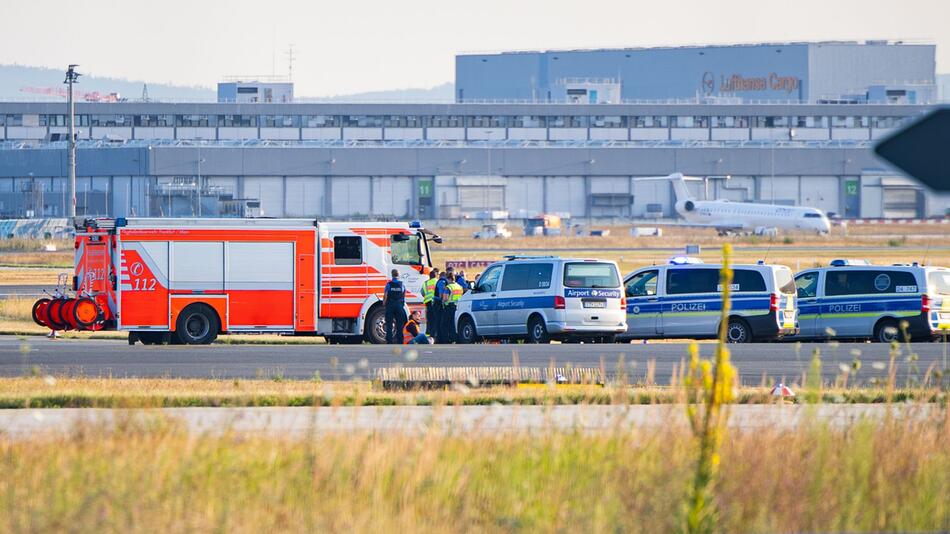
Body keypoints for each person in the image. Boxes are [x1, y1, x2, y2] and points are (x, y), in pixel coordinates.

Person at [382, 269, 407, 344]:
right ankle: (400, 340)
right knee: (400, 324)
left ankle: (389, 341)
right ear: (398, 275)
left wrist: (384, 303)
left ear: (392, 275)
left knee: (389, 324)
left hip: (390, 305)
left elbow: (385, 295)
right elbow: (404, 294)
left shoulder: (389, 284)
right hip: (399, 305)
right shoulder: (402, 284)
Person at [440, 274, 464, 344]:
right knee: (454, 324)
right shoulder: (459, 287)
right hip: (458, 307)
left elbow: (445, 298)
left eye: (447, 279)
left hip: (449, 307)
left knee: (444, 324)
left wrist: (442, 302)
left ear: (449, 279)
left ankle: (446, 340)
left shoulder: (448, 287)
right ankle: (455, 339)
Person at [433, 269, 451, 343]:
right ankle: (441, 339)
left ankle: (440, 339)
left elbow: (440, 295)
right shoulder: (444, 282)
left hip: (438, 304)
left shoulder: (441, 281)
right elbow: (442, 295)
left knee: (439, 322)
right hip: (441, 304)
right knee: (441, 322)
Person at [422, 268, 440, 336]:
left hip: (428, 303)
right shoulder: (437, 281)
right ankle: (434, 335)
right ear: (435, 276)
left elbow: (422, 293)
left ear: (429, 276)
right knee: (435, 319)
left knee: (429, 320)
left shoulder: (425, 283)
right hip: (435, 302)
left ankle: (428, 335)